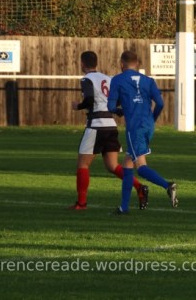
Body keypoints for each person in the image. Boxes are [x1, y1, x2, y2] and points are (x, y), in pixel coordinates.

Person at [69, 51, 148, 211]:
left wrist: (78, 106)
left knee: (83, 164)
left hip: (96, 125)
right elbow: (118, 99)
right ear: (96, 62)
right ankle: (139, 187)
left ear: (82, 63)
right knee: (112, 166)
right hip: (111, 126)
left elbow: (89, 99)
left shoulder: (87, 79)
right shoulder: (108, 79)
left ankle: (81, 204)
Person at [108, 50, 178, 214]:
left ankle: (168, 185)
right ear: (137, 64)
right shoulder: (149, 80)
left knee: (140, 166)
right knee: (127, 165)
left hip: (134, 127)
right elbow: (160, 103)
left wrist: (119, 111)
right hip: (148, 125)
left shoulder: (117, 80)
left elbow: (111, 106)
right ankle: (123, 207)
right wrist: (153, 118)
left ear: (122, 64)